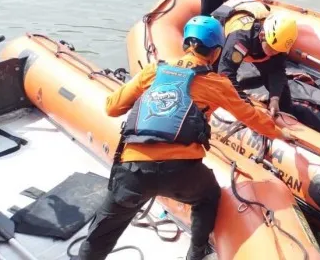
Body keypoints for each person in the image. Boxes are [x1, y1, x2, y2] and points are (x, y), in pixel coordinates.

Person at [75, 16, 292, 260]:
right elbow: (251, 116)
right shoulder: (217, 84)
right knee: (208, 196)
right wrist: (279, 132)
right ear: (216, 52)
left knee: (101, 233)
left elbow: (112, 107)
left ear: (185, 44)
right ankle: (196, 253)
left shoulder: (153, 71)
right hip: (182, 174)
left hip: (133, 170)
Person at [212, 0, 298, 118]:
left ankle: (287, 117)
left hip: (256, 13)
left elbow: (278, 70)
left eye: (279, 51)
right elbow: (226, 73)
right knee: (216, 75)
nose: (275, 53)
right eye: (272, 49)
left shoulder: (279, 43)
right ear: (262, 36)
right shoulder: (240, 39)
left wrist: (275, 99)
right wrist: (245, 104)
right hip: (229, 18)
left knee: (282, 92)